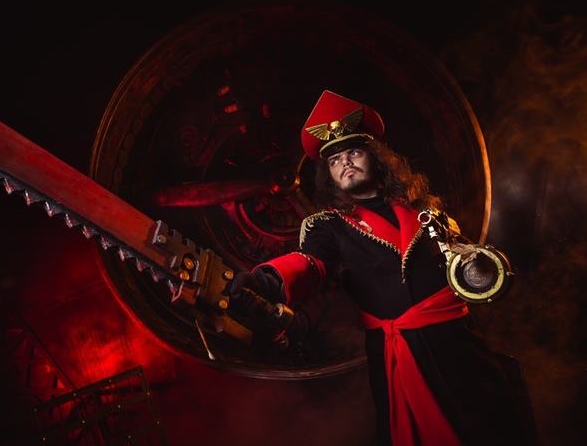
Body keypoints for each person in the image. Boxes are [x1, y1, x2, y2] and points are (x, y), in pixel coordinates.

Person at [224, 90, 536, 446]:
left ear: (375, 158)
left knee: (493, 431)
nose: (345, 163)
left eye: (353, 153)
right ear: (329, 175)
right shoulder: (328, 226)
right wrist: (266, 281)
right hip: (399, 352)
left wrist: (479, 267)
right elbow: (310, 265)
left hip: (459, 343)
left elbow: (467, 266)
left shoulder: (425, 209)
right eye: (334, 160)